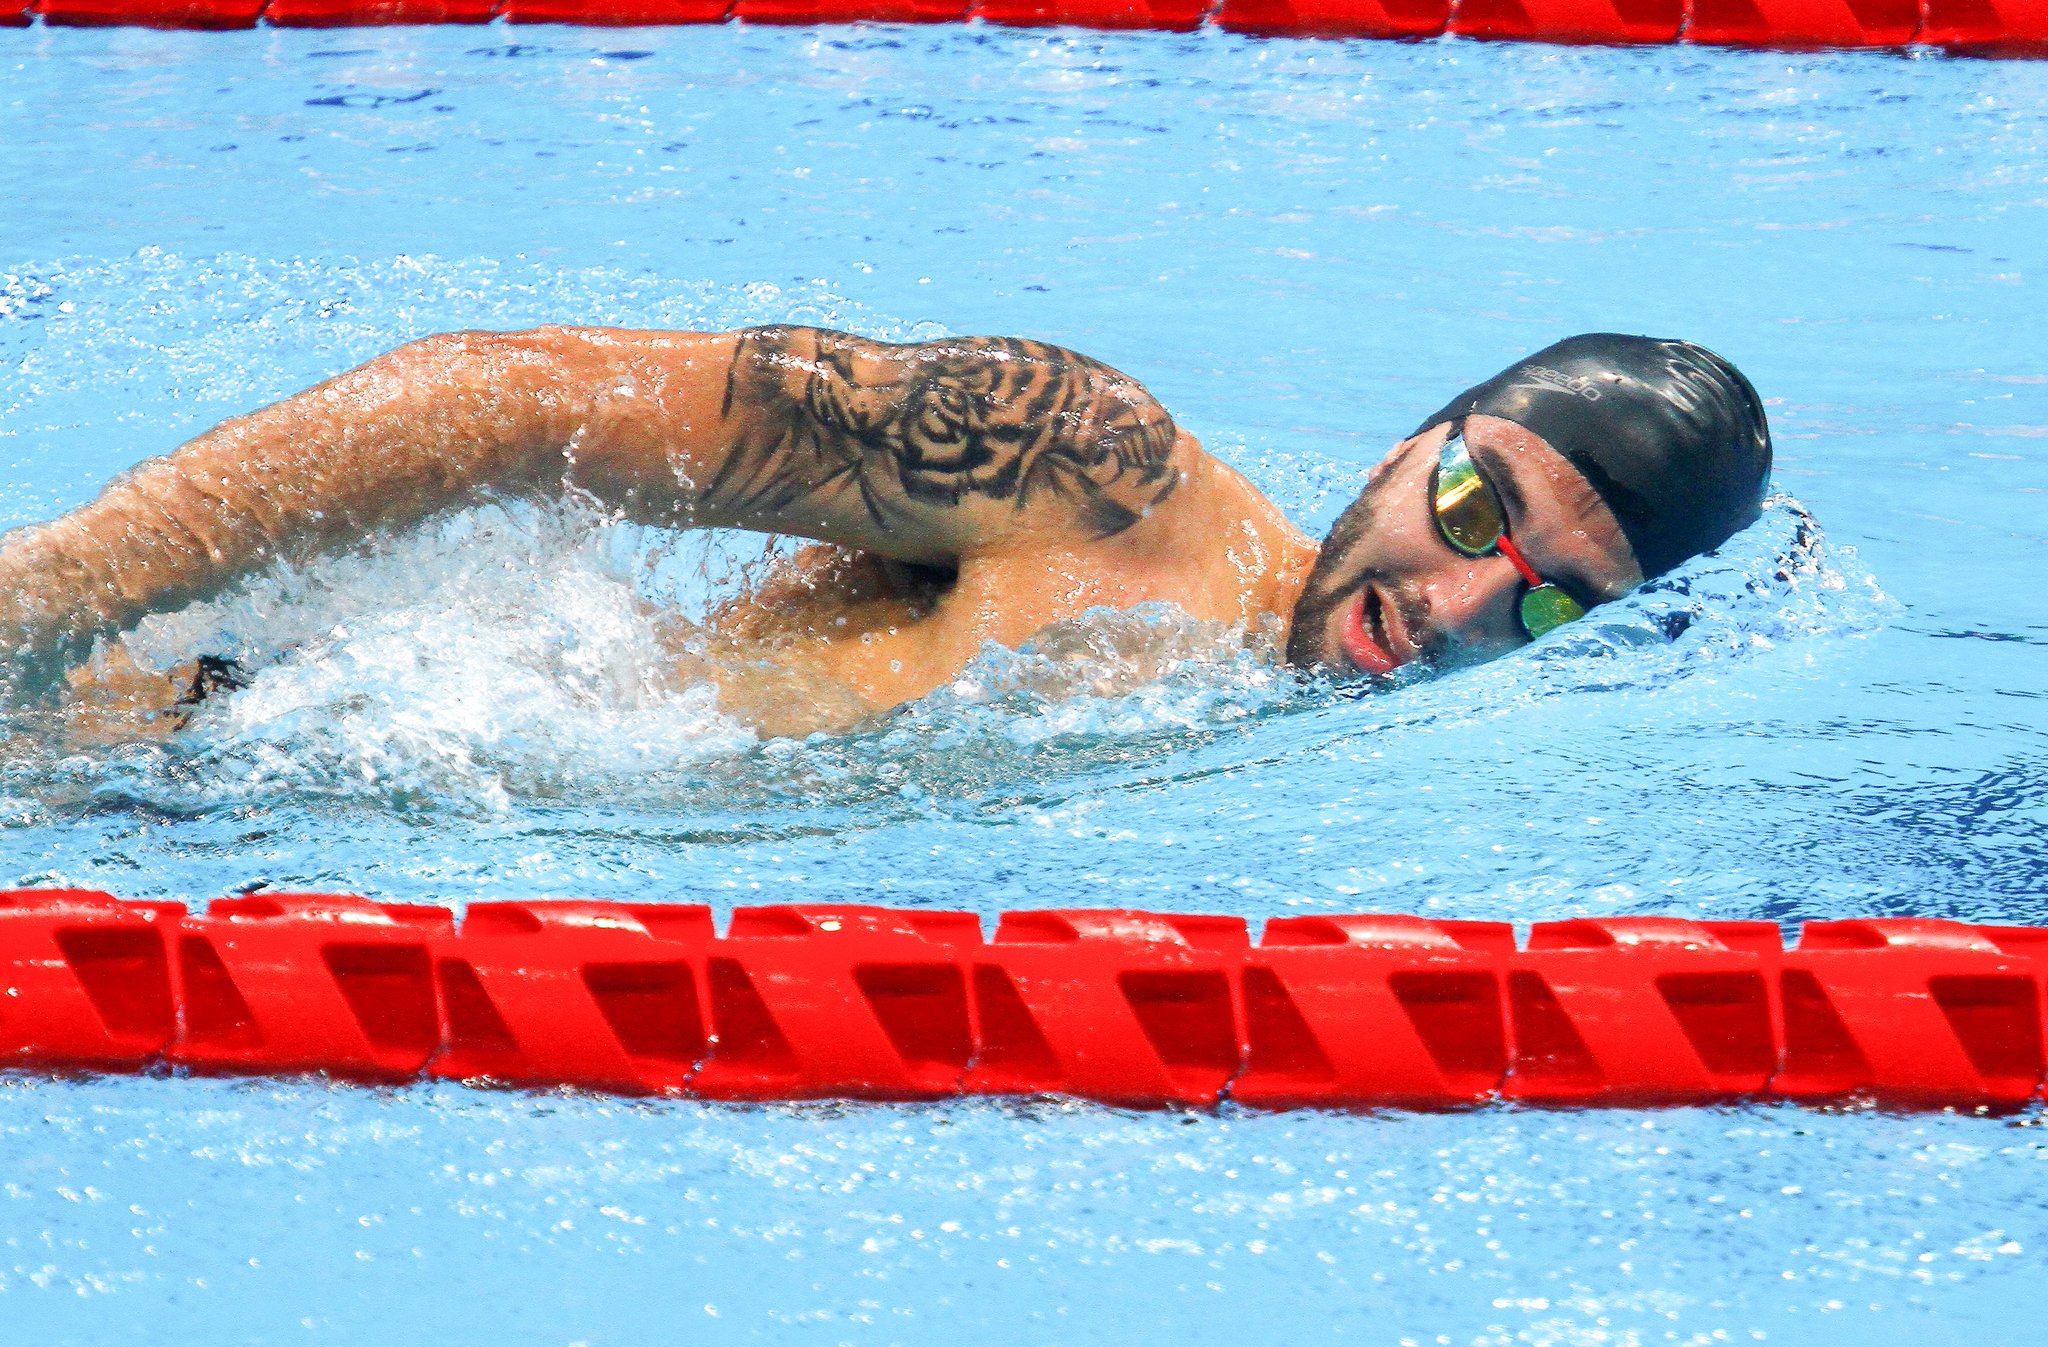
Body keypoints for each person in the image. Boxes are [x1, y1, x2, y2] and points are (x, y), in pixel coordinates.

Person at [0, 327, 1772, 737]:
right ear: (1407, 444)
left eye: (1547, 605)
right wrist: (56, 592)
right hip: (230, 736)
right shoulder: (1087, 467)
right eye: (1472, 507)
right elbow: (513, 402)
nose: (1454, 603)